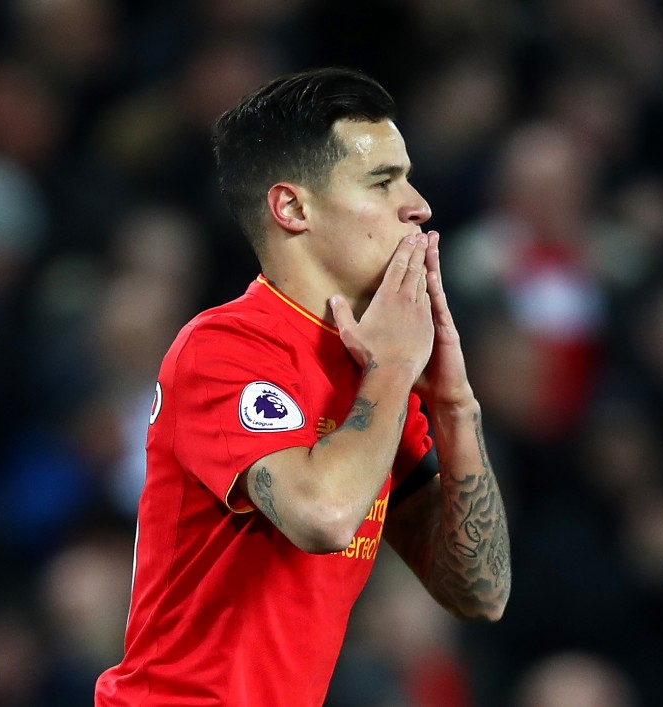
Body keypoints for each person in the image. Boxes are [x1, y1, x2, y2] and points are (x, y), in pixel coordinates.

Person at [94, 67, 511, 706]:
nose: (418, 205)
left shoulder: (368, 372)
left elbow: (480, 593)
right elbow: (323, 516)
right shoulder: (225, 349)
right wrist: (396, 371)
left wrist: (455, 407)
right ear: (292, 207)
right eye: (383, 181)